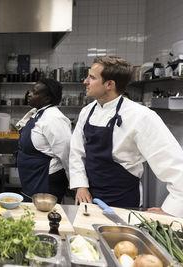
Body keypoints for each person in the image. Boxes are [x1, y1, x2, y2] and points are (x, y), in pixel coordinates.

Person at [69, 56, 183, 217]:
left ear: (109, 84)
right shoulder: (87, 112)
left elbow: (176, 168)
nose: (85, 81)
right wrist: (81, 186)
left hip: (123, 202)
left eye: (92, 77)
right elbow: (76, 152)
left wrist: (170, 211)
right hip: (89, 198)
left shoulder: (141, 116)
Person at [16, 79, 71, 203]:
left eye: (35, 92)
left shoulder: (54, 118)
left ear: (47, 99)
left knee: (44, 216)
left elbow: (66, 152)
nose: (29, 94)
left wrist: (71, 179)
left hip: (46, 178)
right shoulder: (38, 114)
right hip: (33, 175)